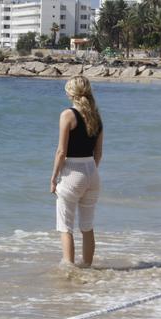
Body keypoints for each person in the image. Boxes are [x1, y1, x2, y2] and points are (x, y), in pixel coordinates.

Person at [50, 76, 104, 267]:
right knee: (87, 226)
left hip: (72, 173)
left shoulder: (68, 115)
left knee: (66, 227)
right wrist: (90, 172)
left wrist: (53, 178)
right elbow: (98, 153)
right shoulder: (96, 116)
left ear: (70, 93)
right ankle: (87, 267)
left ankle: (69, 270)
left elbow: (61, 151)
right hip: (92, 172)